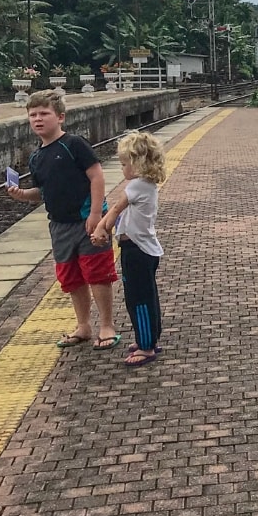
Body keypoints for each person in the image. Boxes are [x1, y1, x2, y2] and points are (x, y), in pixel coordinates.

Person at [7, 90, 120, 350]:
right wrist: (22, 195)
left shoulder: (74, 145)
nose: (38, 119)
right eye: (32, 115)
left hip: (87, 221)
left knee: (98, 273)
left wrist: (95, 214)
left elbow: (97, 176)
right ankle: (83, 325)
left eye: (44, 114)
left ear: (60, 117)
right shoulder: (36, 157)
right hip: (59, 225)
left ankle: (106, 325)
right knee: (71, 277)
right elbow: (43, 192)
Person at [91, 131, 167, 368]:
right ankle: (150, 339)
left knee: (138, 299)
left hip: (136, 251)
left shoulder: (137, 185)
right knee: (148, 296)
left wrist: (101, 229)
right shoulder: (147, 185)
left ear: (137, 164)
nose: (122, 169)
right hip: (144, 250)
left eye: (124, 164)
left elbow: (115, 208)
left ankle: (146, 346)